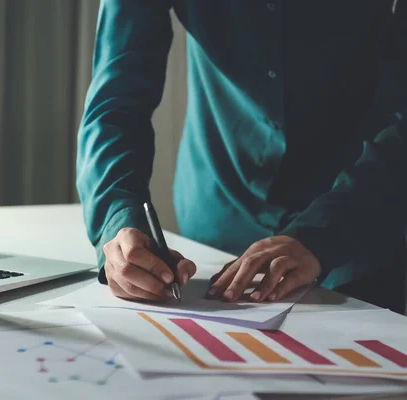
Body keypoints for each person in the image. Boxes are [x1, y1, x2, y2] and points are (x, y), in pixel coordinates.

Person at [76, 0, 407, 314]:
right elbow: (116, 102)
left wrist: (326, 230)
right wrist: (118, 222)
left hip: (364, 219)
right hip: (213, 226)